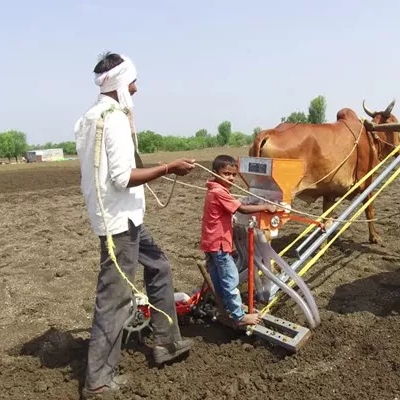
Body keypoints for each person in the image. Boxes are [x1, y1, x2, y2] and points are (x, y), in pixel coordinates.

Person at [74, 51, 195, 398]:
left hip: (126, 218)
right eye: (133, 81)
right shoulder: (111, 119)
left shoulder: (90, 117)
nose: (137, 88)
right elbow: (123, 177)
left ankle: (166, 342)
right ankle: (98, 381)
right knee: (115, 298)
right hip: (119, 224)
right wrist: (169, 169)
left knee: (159, 266)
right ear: (119, 83)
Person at [200, 155, 278, 327]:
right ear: (215, 173)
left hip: (211, 242)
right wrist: (266, 206)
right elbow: (241, 208)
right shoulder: (219, 192)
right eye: (226, 173)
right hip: (219, 243)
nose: (231, 177)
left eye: (233, 174)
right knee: (230, 278)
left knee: (219, 277)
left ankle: (226, 304)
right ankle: (239, 316)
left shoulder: (214, 190)